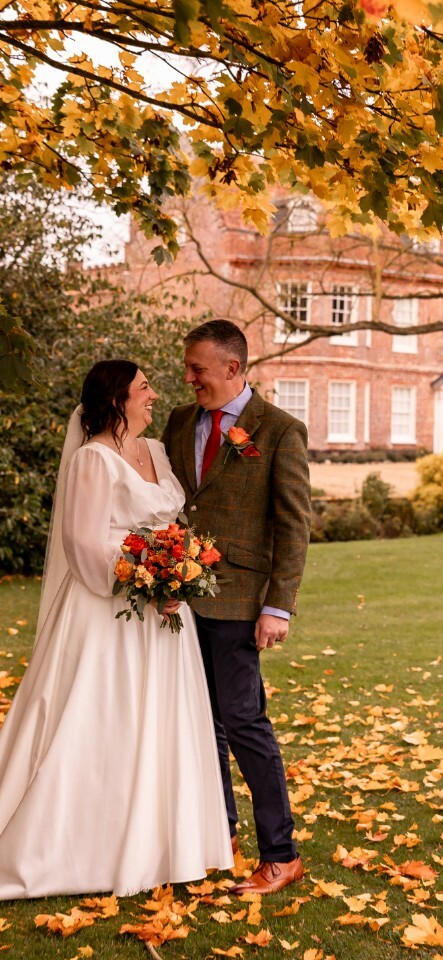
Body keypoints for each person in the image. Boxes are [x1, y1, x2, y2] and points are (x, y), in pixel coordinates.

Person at [0, 360, 233, 899]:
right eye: (143, 388)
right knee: (105, 716)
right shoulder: (92, 458)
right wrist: (144, 579)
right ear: (116, 399)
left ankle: (165, 843)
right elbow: (82, 542)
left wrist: (179, 572)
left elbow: (171, 523)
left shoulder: (155, 452)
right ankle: (81, 849)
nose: (153, 396)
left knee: (164, 719)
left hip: (166, 612)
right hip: (108, 611)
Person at [162, 319, 312, 895]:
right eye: (187, 368)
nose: (189, 378)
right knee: (204, 725)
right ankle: (219, 835)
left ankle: (281, 855)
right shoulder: (180, 422)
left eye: (197, 368)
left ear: (232, 367)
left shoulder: (280, 431)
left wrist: (279, 606)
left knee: (246, 722)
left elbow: (294, 525)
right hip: (180, 600)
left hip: (241, 602)